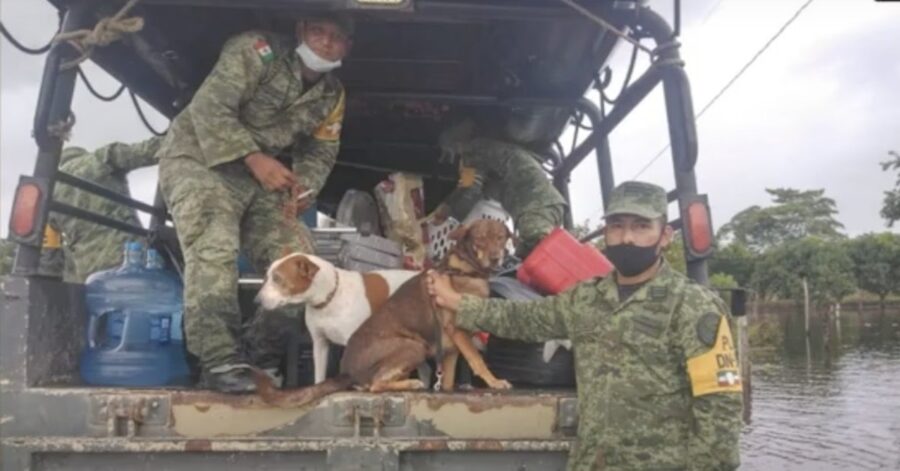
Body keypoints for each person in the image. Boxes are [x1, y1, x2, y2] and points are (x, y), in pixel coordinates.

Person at [427, 181, 743, 470]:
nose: (627, 238)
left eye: (641, 226)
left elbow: (720, 415)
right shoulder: (588, 297)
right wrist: (456, 302)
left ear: (664, 236)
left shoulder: (694, 307)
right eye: (617, 227)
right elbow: (525, 319)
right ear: (606, 232)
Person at [156, 14, 353, 393]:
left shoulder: (332, 94)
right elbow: (210, 108)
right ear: (301, 32)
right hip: (199, 160)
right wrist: (254, 158)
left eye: (337, 38)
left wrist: (305, 189)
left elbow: (321, 148)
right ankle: (219, 362)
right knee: (214, 250)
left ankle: (258, 357)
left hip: (260, 178)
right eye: (318, 32)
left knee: (305, 268)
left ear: (347, 47)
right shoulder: (255, 50)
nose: (326, 43)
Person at [432, 119, 566, 258]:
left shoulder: (473, 152)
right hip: (547, 204)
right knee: (526, 258)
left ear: (456, 144)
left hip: (535, 206)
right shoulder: (490, 147)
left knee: (536, 249)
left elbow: (470, 190)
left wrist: (449, 215)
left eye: (449, 148)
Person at [39, 137, 163, 282]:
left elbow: (49, 253)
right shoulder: (98, 159)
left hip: (90, 274)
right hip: (130, 257)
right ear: (82, 154)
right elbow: (144, 152)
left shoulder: (50, 192)